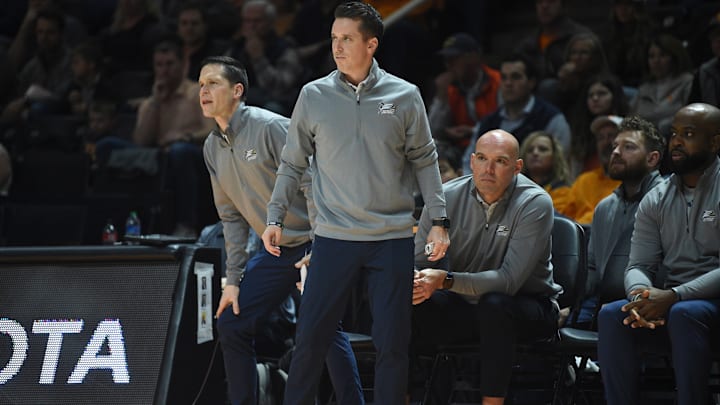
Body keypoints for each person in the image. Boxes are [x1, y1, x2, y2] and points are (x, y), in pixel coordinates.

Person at [261, 3, 450, 403]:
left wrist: (439, 219)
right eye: (334, 38)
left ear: (371, 44)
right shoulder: (313, 95)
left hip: (392, 237)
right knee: (310, 340)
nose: (337, 46)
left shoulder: (405, 95)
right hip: (333, 238)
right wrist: (274, 215)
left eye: (347, 38)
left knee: (393, 345)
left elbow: (425, 159)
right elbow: (293, 162)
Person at [200, 55, 363, 405]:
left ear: (237, 90)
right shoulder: (211, 147)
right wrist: (232, 280)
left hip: (322, 240)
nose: (204, 90)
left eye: (213, 83)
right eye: (200, 84)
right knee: (232, 323)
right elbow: (231, 219)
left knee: (321, 326)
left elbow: (316, 186)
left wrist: (320, 253)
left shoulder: (271, 127)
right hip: (276, 250)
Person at [412, 129, 562, 405]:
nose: (488, 169)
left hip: (527, 305)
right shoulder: (444, 198)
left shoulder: (535, 202)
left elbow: (508, 281)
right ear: (471, 162)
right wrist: (416, 280)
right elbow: (420, 261)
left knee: (494, 305)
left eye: (500, 161)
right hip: (466, 305)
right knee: (408, 301)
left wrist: (445, 280)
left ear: (517, 167)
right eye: (482, 158)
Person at [597, 103, 720, 405]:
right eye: (674, 134)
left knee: (684, 314)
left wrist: (675, 295)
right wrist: (641, 296)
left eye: (688, 134)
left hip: (707, 305)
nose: (676, 142)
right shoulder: (657, 197)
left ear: (715, 142)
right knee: (613, 314)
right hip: (673, 304)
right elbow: (638, 263)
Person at [96, 39, 215, 237]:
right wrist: (155, 103)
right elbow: (140, 142)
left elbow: (212, 132)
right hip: (160, 157)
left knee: (179, 151)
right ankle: (105, 219)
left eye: (169, 64)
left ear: (183, 65)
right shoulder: (151, 100)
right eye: (159, 65)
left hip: (193, 156)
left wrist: (184, 137)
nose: (164, 70)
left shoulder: (199, 93)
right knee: (106, 146)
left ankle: (186, 225)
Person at [574, 115, 665, 327]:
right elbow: (593, 269)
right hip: (602, 303)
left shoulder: (667, 200)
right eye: (615, 146)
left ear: (652, 159)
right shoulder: (605, 207)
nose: (615, 152)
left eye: (628, 147)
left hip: (651, 303)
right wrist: (567, 304)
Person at [461, 52, 570, 175]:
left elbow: (561, 166)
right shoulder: (487, 123)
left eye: (516, 77)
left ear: (531, 82)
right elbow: (468, 164)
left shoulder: (551, 119)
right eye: (504, 78)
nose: (508, 83)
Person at [224, 0, 305, 115]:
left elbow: (279, 89)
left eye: (257, 21)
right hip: (243, 98)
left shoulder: (286, 49)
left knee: (272, 109)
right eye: (247, 21)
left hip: (272, 103)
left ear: (271, 22)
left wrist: (258, 59)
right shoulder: (237, 47)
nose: (251, 26)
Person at [428, 32, 500, 155]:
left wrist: (473, 131)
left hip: (494, 145)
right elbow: (433, 131)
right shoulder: (449, 89)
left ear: (473, 57)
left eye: (454, 59)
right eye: (446, 60)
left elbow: (506, 122)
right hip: (460, 148)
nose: (449, 65)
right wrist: (441, 95)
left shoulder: (497, 82)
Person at [558, 115, 622, 224]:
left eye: (612, 136)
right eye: (601, 138)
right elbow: (564, 218)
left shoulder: (631, 182)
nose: (606, 142)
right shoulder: (584, 181)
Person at [631, 34, 693, 137]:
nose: (656, 61)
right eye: (651, 56)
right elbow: (630, 119)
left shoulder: (687, 82)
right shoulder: (644, 88)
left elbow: (691, 118)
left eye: (663, 55)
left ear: (675, 57)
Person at [516, 0, 590, 81]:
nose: (544, 6)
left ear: (563, 5)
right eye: (539, 1)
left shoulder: (581, 38)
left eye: (551, 1)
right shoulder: (527, 44)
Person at [519, 130, 571, 212]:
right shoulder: (513, 188)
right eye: (530, 150)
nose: (535, 153)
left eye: (543, 149)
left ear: (554, 157)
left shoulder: (562, 191)